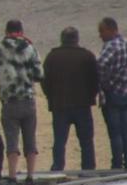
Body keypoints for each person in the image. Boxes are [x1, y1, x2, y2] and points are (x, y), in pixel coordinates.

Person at [0, 20, 44, 183]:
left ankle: (12, 176)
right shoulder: (30, 48)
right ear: (21, 31)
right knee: (30, 139)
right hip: (28, 100)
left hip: (9, 101)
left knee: (12, 140)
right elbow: (39, 74)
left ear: (6, 31)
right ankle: (31, 175)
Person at [42, 27, 99, 171]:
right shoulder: (87, 56)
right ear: (77, 39)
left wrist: (51, 97)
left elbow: (45, 81)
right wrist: (91, 96)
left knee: (60, 141)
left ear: (62, 39)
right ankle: (88, 168)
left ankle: (58, 167)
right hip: (82, 104)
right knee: (86, 141)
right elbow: (95, 81)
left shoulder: (52, 57)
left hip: (59, 105)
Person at [97, 18, 127, 169]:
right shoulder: (125, 43)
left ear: (111, 29)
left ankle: (116, 164)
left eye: (102, 31)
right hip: (125, 93)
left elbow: (100, 65)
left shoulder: (110, 46)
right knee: (125, 131)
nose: (100, 35)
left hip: (112, 94)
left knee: (115, 133)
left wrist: (105, 84)